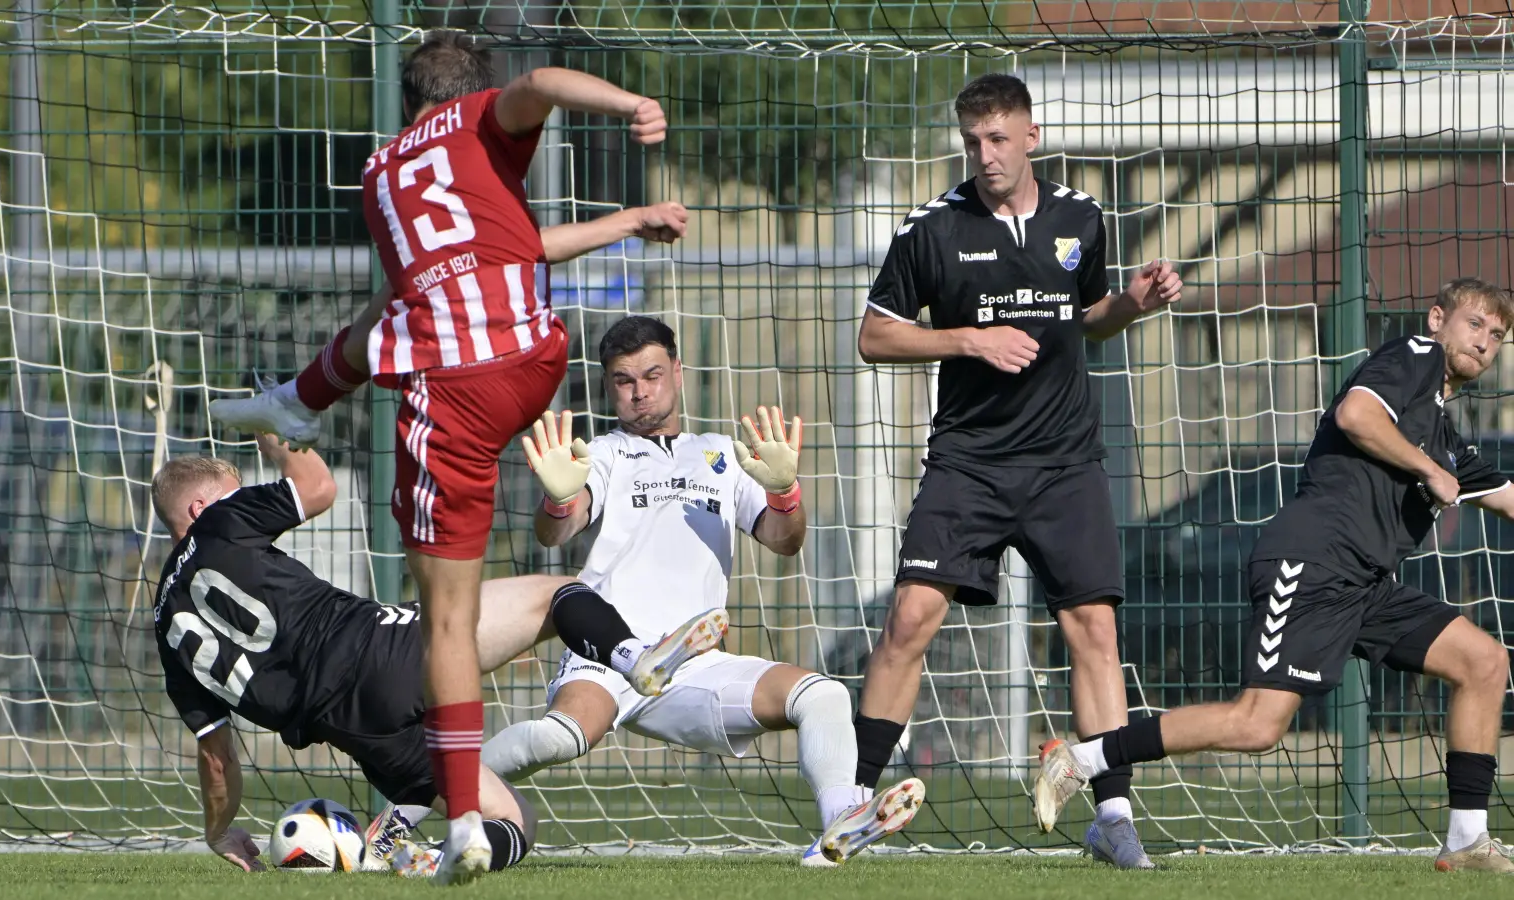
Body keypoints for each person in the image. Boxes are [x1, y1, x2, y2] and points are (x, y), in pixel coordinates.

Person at [205, 32, 685, 883]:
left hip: (456, 393)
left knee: (448, 621)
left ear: (409, 100)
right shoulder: (479, 142)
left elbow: (397, 296)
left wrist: (623, 111)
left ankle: (463, 814)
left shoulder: (386, 170)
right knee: (394, 324)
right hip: (535, 356)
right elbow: (521, 221)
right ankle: (298, 402)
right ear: (474, 90)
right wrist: (630, 135)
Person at [1036, 278, 1514, 874]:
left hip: (1364, 584)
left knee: (1484, 662)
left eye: (1497, 335)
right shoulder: (1413, 356)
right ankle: (1081, 760)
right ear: (1437, 317)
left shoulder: (1442, 433)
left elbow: (1504, 495)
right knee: (1256, 724)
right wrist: (1427, 471)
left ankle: (1467, 840)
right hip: (1312, 563)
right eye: (1476, 324)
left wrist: (1438, 468)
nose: (1485, 342)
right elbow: (1356, 413)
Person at [851, 73, 1183, 868]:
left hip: (1066, 462)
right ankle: (856, 804)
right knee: (908, 621)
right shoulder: (931, 229)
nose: (986, 155)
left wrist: (1132, 304)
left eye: (999, 139)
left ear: (1031, 136)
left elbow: (1088, 319)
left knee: (1092, 629)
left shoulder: (1081, 216)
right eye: (973, 142)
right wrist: (968, 339)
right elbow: (875, 336)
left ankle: (1110, 815)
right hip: (969, 463)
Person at [151, 435, 717, 876]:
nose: (243, 497)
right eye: (233, 490)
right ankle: (633, 657)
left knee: (514, 821)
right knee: (555, 595)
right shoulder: (221, 523)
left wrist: (219, 832)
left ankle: (405, 850)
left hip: (353, 730)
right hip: (386, 651)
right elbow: (318, 486)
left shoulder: (164, 630)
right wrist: (279, 435)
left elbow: (218, 759)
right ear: (200, 507)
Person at [481, 316, 927, 866]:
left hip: (691, 662)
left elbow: (784, 541)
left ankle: (837, 828)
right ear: (608, 387)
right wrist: (555, 501)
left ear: (679, 373)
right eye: (624, 380)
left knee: (823, 695)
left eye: (651, 374)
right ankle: (423, 797)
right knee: (558, 739)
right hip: (609, 653)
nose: (640, 390)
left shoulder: (722, 454)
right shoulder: (602, 454)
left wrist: (785, 490)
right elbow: (557, 532)